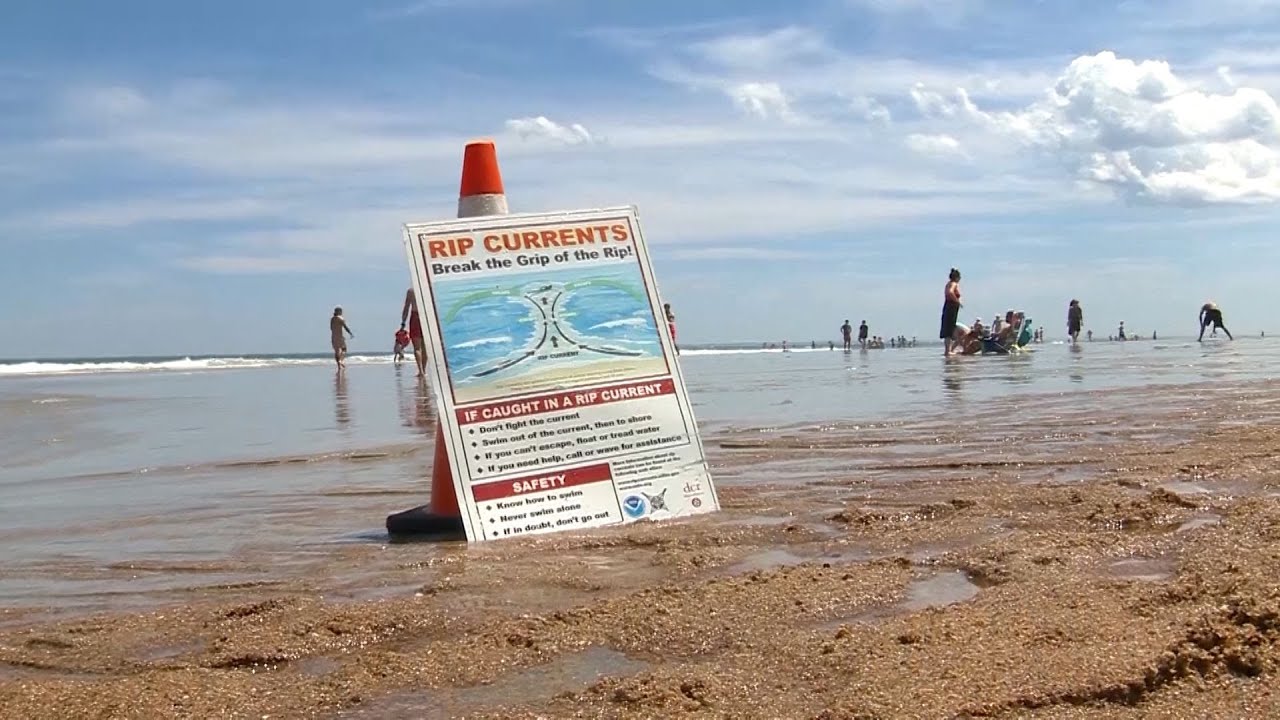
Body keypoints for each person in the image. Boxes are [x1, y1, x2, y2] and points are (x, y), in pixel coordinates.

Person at [400, 288, 427, 378]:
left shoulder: (411, 291)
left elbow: (406, 307)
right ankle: (423, 370)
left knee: (417, 347)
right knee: (425, 347)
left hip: (415, 317)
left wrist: (403, 322)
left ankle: (421, 371)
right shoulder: (428, 288)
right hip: (427, 316)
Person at [940, 269, 962, 356]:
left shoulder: (948, 284)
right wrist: (957, 301)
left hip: (949, 307)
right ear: (957, 277)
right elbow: (950, 292)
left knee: (949, 329)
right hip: (951, 307)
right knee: (949, 329)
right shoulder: (953, 284)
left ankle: (949, 350)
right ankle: (948, 351)